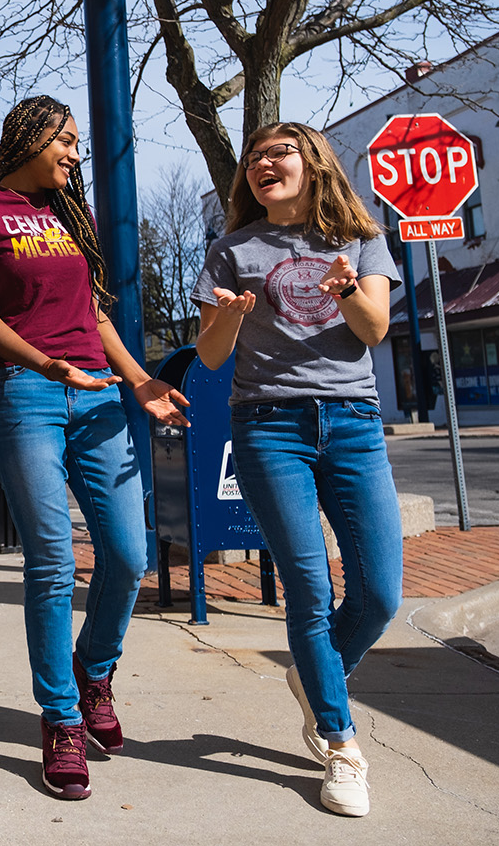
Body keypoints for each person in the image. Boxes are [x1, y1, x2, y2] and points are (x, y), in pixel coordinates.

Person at [0, 96, 189, 800]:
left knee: (129, 553)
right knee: (52, 560)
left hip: (99, 395)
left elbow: (93, 314)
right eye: (66, 142)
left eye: (79, 145)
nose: (75, 155)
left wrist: (141, 380)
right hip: (25, 394)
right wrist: (46, 365)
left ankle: (94, 670)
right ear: (29, 137)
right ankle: (60, 720)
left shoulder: (69, 217)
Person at [192, 121, 403, 818]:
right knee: (308, 590)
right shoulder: (231, 250)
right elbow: (214, 356)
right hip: (268, 427)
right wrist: (230, 314)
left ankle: (315, 680)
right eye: (254, 157)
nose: (262, 163)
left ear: (312, 163)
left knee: (379, 595)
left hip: (352, 422)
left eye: (277, 152)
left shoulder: (359, 236)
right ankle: (340, 744)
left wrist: (347, 289)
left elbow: (373, 331)